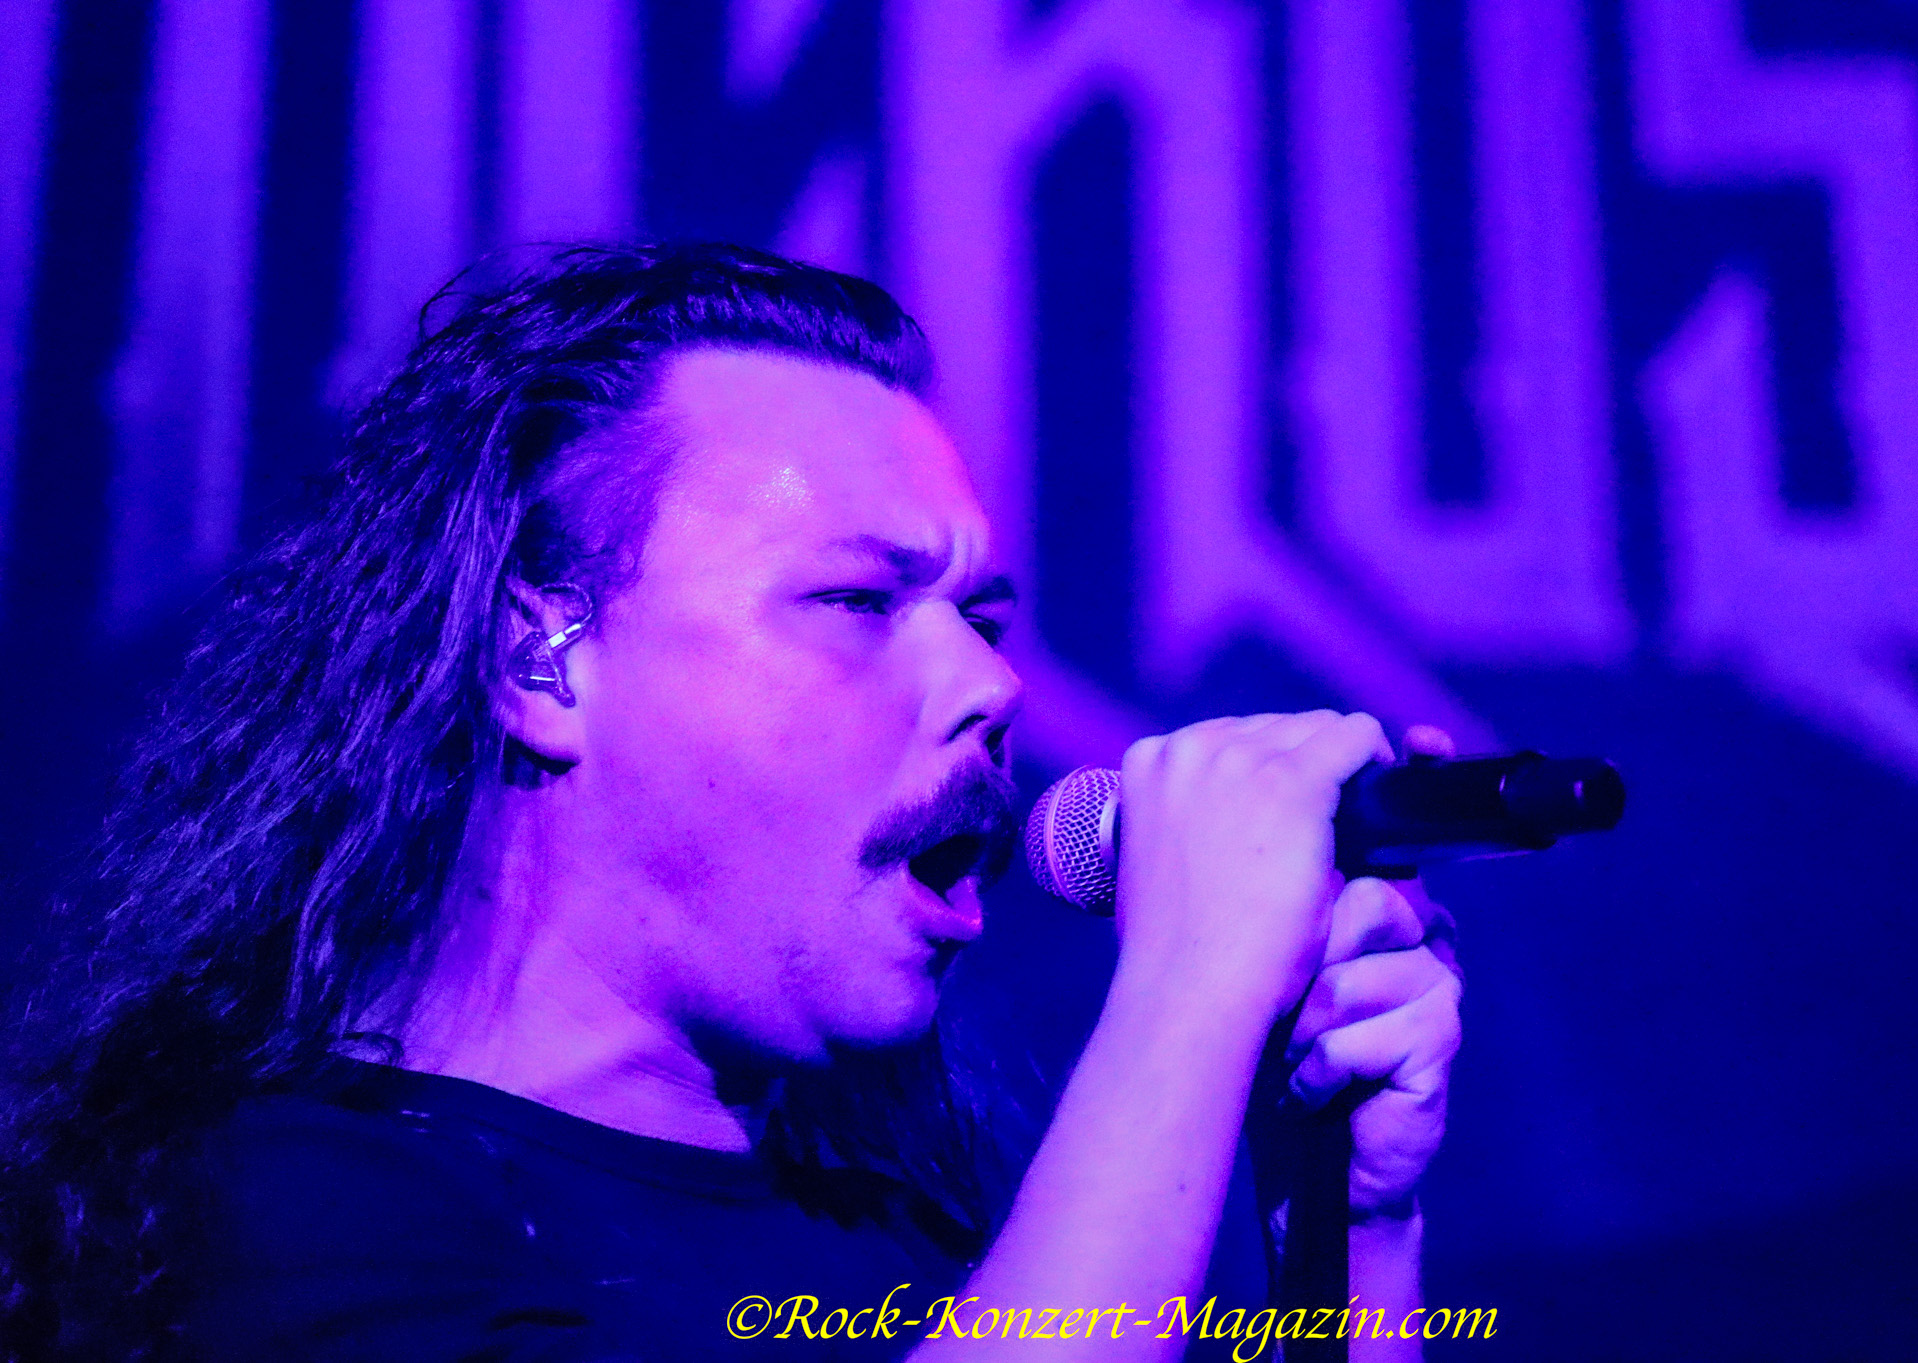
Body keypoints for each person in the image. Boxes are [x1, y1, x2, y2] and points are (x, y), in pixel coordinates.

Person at [0, 243, 1461, 1361]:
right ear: (539, 659)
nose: (989, 683)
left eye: (980, 617)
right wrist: (1189, 991)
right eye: (858, 602)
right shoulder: (281, 1218)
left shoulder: (927, 1244)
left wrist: (1347, 1230)